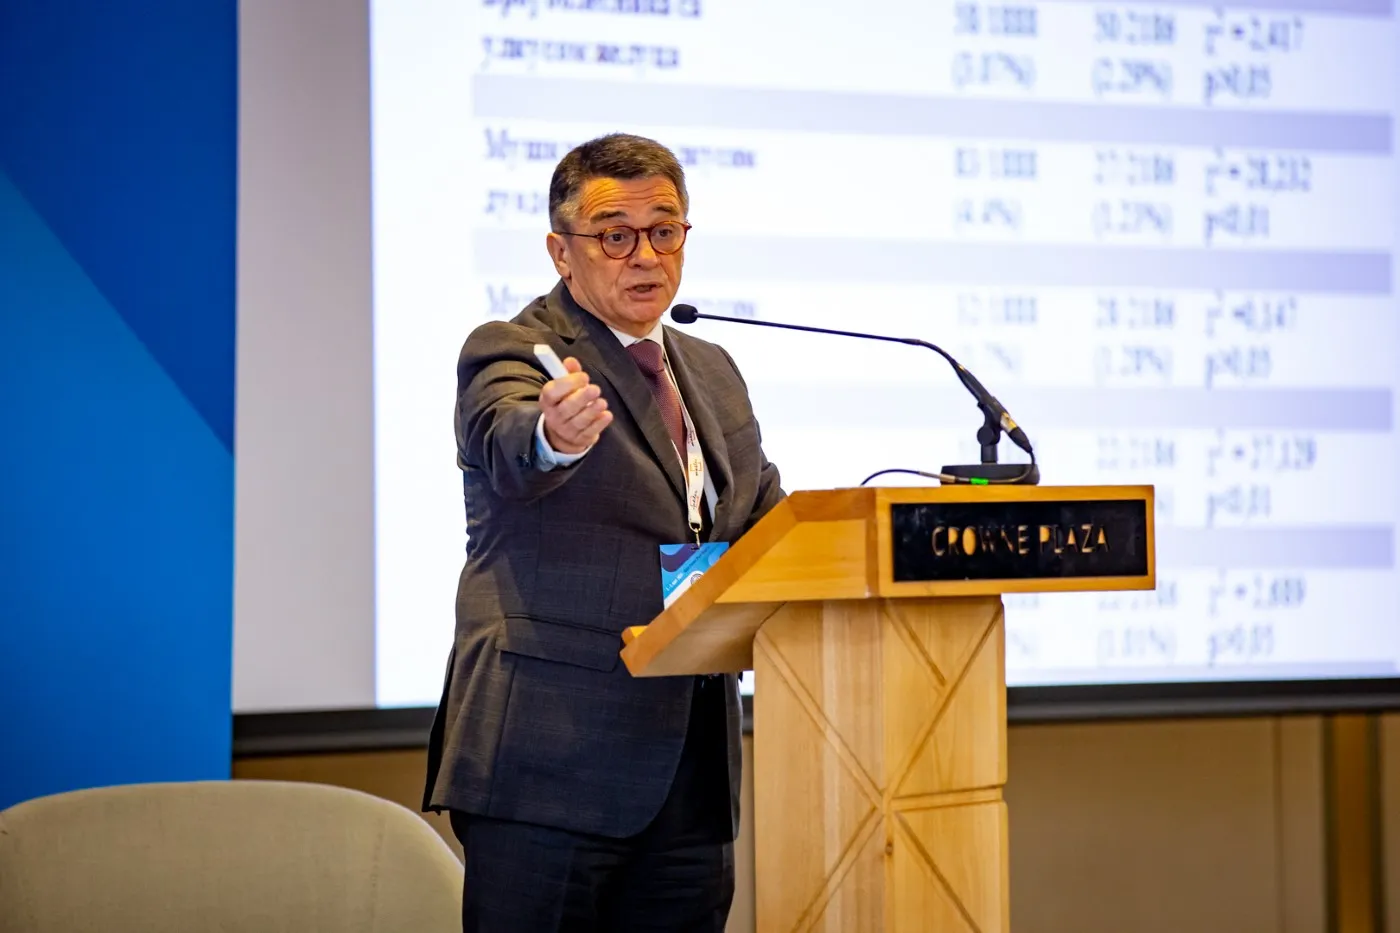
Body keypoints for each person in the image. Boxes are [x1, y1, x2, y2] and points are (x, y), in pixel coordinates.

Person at [422, 132, 786, 932]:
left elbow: (766, 518)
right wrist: (554, 435)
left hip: (691, 777)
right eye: (615, 235)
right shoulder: (515, 351)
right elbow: (509, 442)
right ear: (562, 250)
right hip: (548, 766)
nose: (645, 255)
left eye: (664, 230)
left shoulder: (713, 369)